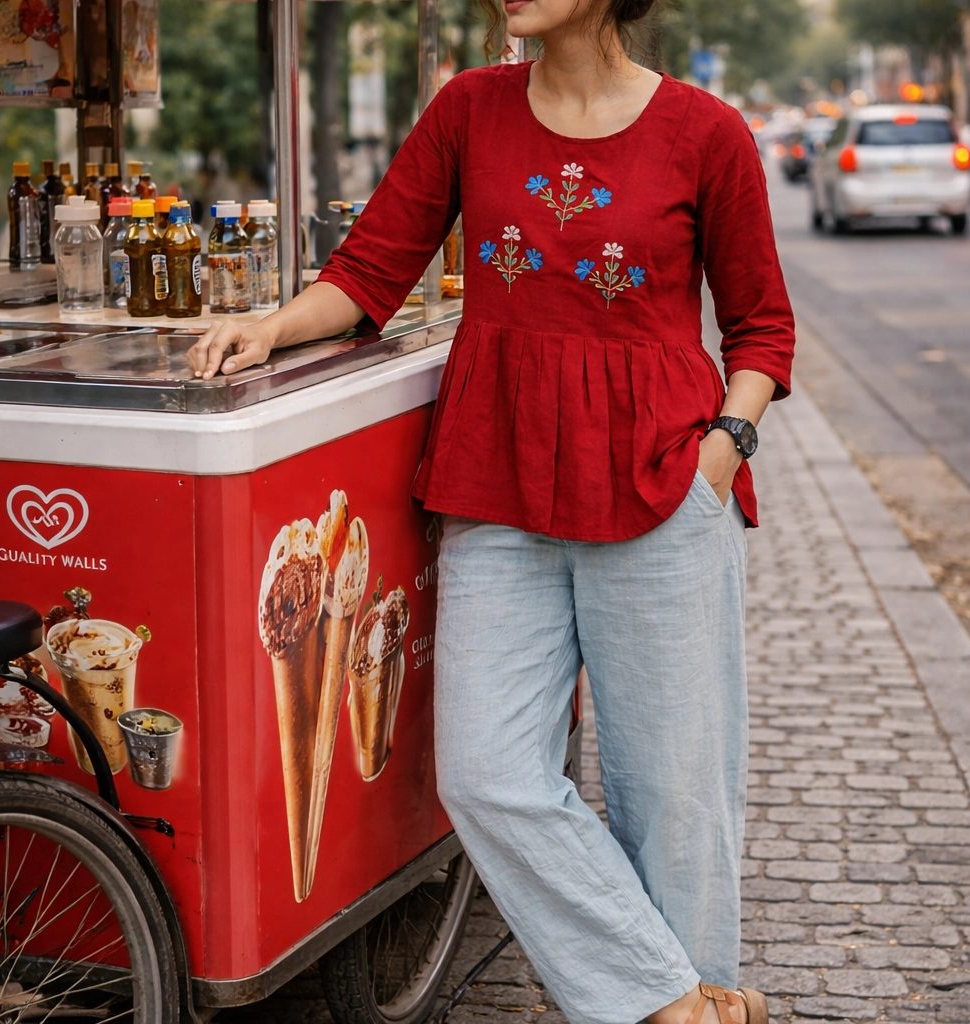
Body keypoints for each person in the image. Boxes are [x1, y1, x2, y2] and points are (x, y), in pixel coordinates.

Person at [186, 0, 795, 1019]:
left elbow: (762, 326)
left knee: (676, 797)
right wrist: (273, 326)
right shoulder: (468, 109)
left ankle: (685, 1002)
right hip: (499, 486)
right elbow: (371, 270)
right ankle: (679, 1001)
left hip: (662, 487)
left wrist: (722, 452)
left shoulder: (706, 132)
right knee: (485, 773)